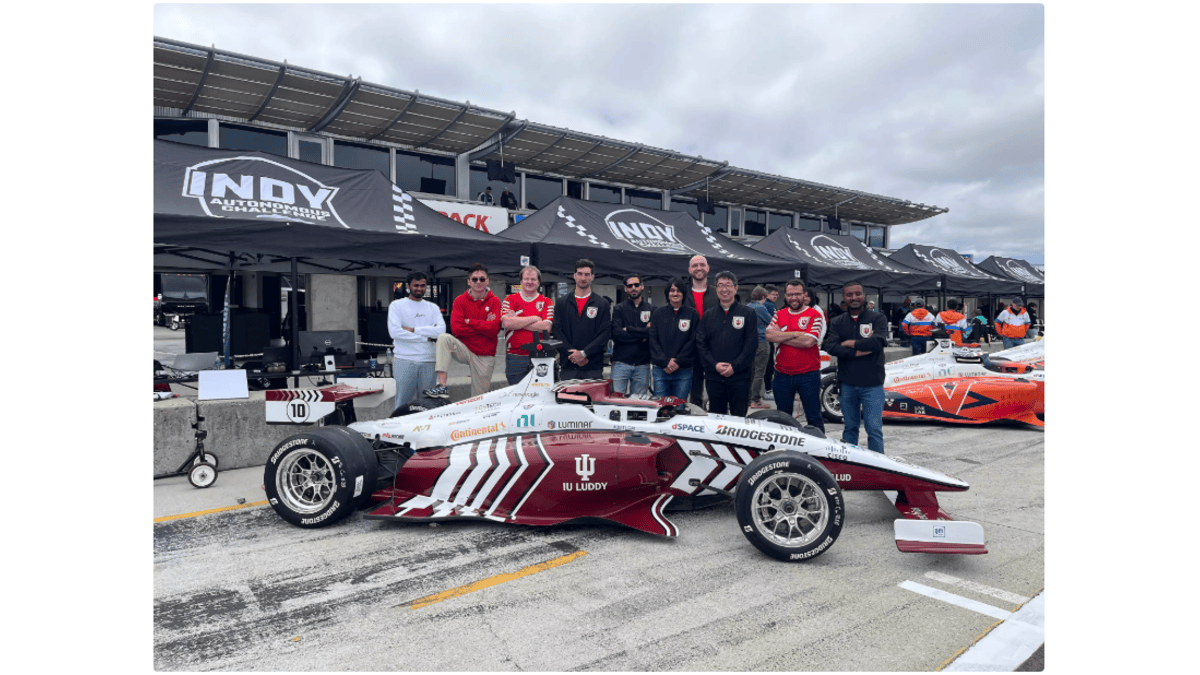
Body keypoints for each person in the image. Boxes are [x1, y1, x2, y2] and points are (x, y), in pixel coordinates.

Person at [822, 281, 888, 453]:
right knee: (850, 429)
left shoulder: (877, 318)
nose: (854, 298)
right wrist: (856, 352)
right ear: (844, 298)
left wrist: (852, 343)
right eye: (849, 295)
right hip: (847, 383)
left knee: (874, 430)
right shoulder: (837, 322)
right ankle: (852, 466)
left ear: (864, 295)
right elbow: (830, 346)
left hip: (872, 384)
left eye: (857, 294)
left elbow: (878, 342)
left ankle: (879, 468)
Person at [424, 263, 501, 399]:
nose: (478, 282)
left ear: (487, 281)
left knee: (479, 399)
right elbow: (457, 329)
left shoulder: (494, 301)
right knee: (444, 338)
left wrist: (470, 321)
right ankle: (441, 386)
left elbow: (494, 330)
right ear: (469, 282)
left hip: (485, 355)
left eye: (482, 279)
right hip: (464, 349)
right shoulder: (460, 301)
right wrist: (484, 325)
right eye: (475, 279)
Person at [766, 279, 826, 431]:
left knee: (814, 418)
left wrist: (782, 334)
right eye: (790, 294)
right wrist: (796, 334)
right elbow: (769, 335)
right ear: (785, 295)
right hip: (782, 375)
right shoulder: (780, 314)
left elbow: (808, 342)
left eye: (797, 294)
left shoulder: (815, 315)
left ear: (805, 295)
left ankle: (817, 453)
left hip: (808, 375)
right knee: (782, 419)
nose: (794, 298)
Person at [696, 271, 758, 417]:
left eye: (728, 285)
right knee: (716, 419)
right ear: (716, 289)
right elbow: (701, 344)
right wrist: (714, 365)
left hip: (739, 377)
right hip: (714, 377)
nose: (724, 289)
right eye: (721, 285)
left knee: (739, 418)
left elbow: (751, 344)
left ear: (735, 288)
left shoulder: (748, 313)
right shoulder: (708, 315)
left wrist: (735, 366)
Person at [388, 271, 446, 408]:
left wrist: (414, 330)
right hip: (404, 359)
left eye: (422, 285)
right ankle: (400, 430)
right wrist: (427, 338)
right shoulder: (396, 306)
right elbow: (395, 332)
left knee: (428, 403)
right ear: (408, 286)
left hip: (429, 360)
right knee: (403, 403)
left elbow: (441, 331)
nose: (419, 288)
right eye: (416, 285)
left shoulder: (433, 308)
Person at [553, 258, 612, 381]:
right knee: (568, 400)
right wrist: (572, 354)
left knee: (591, 400)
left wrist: (585, 353)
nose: (583, 278)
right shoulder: (562, 302)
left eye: (587, 274)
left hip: (592, 366)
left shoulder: (602, 303)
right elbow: (557, 331)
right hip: (568, 365)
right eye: (580, 274)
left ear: (592, 277)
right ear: (574, 276)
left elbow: (605, 334)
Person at [501, 266, 554, 384]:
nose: (529, 282)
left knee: (540, 396)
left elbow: (546, 327)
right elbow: (507, 323)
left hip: (540, 357)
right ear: (521, 282)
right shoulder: (509, 299)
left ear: (538, 282)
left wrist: (517, 320)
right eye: (526, 279)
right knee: (516, 397)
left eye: (533, 279)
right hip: (515, 356)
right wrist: (535, 318)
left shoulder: (546, 301)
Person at [649, 277, 699, 400]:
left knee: (679, 408)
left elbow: (693, 341)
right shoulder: (658, 313)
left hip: (684, 370)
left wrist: (678, 362)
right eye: (672, 290)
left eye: (678, 290)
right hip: (661, 369)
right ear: (667, 293)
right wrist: (665, 361)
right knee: (661, 410)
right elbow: (653, 340)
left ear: (684, 293)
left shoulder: (692, 314)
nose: (675, 293)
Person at [683, 255, 719, 407]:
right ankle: (696, 411)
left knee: (715, 385)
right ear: (690, 270)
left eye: (702, 264)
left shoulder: (717, 293)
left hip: (714, 347)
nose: (699, 268)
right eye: (695, 265)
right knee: (694, 386)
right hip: (690, 347)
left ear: (708, 268)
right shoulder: (682, 293)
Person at [610, 273, 654, 395]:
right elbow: (617, 335)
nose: (633, 288)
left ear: (642, 286)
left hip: (642, 365)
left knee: (638, 406)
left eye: (636, 285)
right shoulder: (619, 309)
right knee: (615, 403)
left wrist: (629, 329)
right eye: (630, 286)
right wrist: (643, 334)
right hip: (620, 363)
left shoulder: (652, 309)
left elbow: (652, 334)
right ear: (625, 288)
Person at [747, 286, 774, 408]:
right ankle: (756, 400)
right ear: (763, 297)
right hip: (762, 341)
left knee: (750, 372)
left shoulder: (747, 306)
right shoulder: (761, 308)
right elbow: (771, 321)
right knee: (759, 372)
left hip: (749, 342)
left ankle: (748, 398)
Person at [762, 285, 780, 400]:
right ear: (767, 294)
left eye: (777, 295)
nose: (775, 297)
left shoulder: (763, 305)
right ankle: (768, 390)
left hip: (764, 338)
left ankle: (768, 389)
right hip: (767, 338)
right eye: (773, 294)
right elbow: (775, 321)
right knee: (769, 365)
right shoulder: (769, 305)